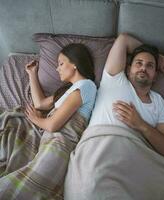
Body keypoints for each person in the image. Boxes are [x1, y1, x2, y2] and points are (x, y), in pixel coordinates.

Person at [0, 43, 97, 199]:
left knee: (18, 189)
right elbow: (39, 104)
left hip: (60, 143)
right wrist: (32, 73)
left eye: (61, 63)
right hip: (46, 139)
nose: (57, 68)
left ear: (74, 64)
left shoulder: (86, 86)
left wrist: (35, 118)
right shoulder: (67, 90)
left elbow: (52, 125)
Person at [89, 33, 164, 159]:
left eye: (150, 65)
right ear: (128, 70)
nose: (143, 68)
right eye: (138, 63)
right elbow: (123, 39)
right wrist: (158, 57)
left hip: (135, 155)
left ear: (155, 76)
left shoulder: (159, 102)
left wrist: (141, 125)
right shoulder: (114, 78)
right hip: (97, 147)